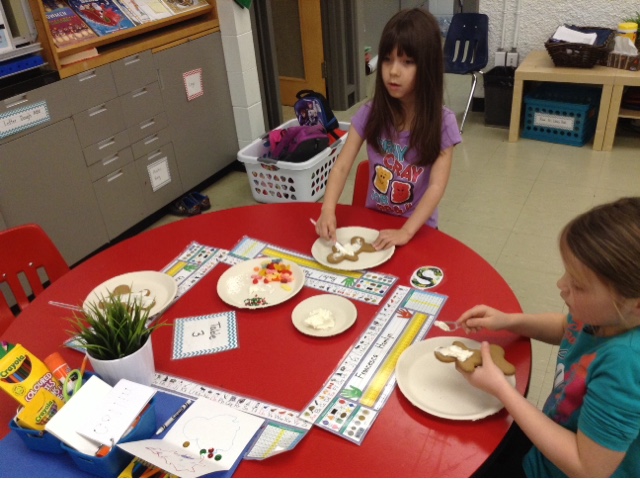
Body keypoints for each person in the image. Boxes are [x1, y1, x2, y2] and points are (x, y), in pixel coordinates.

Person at [455, 197, 640, 477]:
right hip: (549, 439)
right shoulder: (603, 315)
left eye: (578, 285)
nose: (561, 285)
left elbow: (588, 468)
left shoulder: (625, 365)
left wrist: (502, 389)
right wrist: (509, 321)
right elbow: (566, 328)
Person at [314, 8, 462, 251]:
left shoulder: (443, 122)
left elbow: (436, 187)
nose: (393, 71)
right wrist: (327, 210)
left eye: (407, 62)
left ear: (428, 67)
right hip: (375, 224)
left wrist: (406, 231)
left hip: (418, 228)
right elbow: (341, 166)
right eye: (387, 59)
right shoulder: (370, 113)